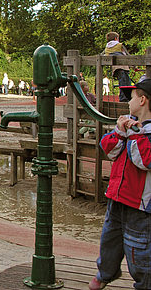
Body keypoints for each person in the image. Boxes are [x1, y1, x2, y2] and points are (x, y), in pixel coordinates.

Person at [89, 79, 151, 290]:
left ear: (142, 100)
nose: (128, 101)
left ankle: (144, 283)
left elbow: (144, 160)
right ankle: (106, 272)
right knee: (110, 241)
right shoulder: (130, 126)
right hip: (117, 197)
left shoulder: (146, 133)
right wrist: (120, 130)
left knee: (139, 252)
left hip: (139, 206)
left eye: (132, 97)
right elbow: (109, 148)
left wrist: (135, 133)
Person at [103, 31, 131, 102]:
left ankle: (124, 97)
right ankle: (124, 98)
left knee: (122, 82)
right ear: (116, 38)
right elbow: (127, 55)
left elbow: (103, 56)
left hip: (115, 68)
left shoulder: (107, 48)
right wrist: (133, 65)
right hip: (123, 66)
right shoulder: (120, 45)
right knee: (126, 83)